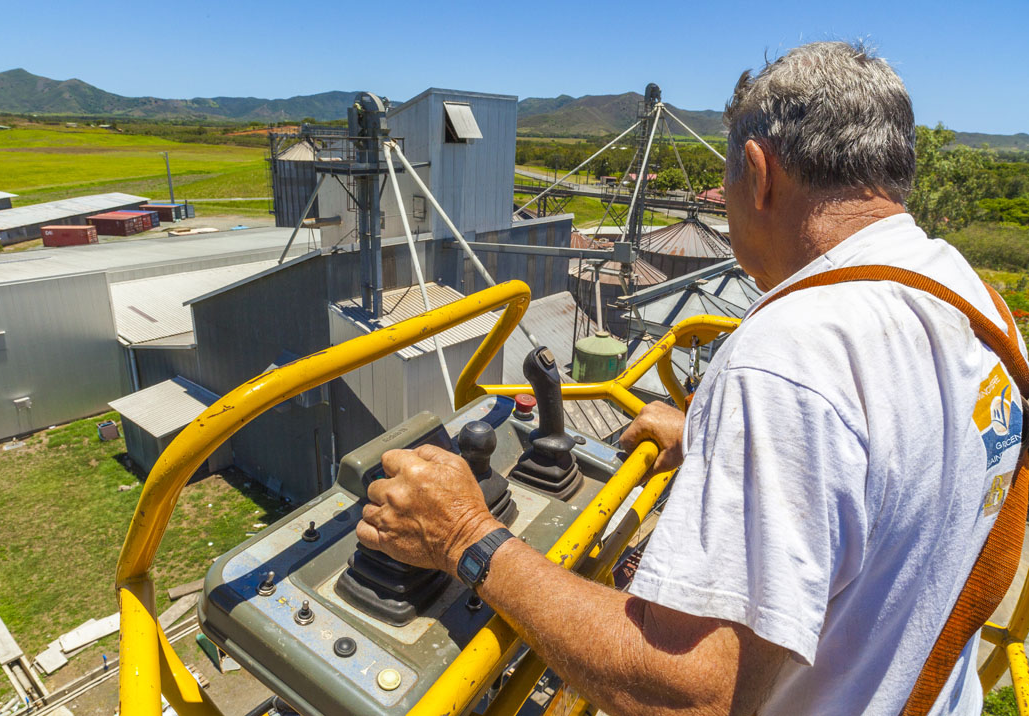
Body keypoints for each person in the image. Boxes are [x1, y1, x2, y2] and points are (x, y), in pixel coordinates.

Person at [355, 41, 1025, 715]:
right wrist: (711, 433)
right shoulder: (971, 298)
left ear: (759, 174)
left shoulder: (790, 355)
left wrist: (464, 537)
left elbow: (689, 696)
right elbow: (890, 471)